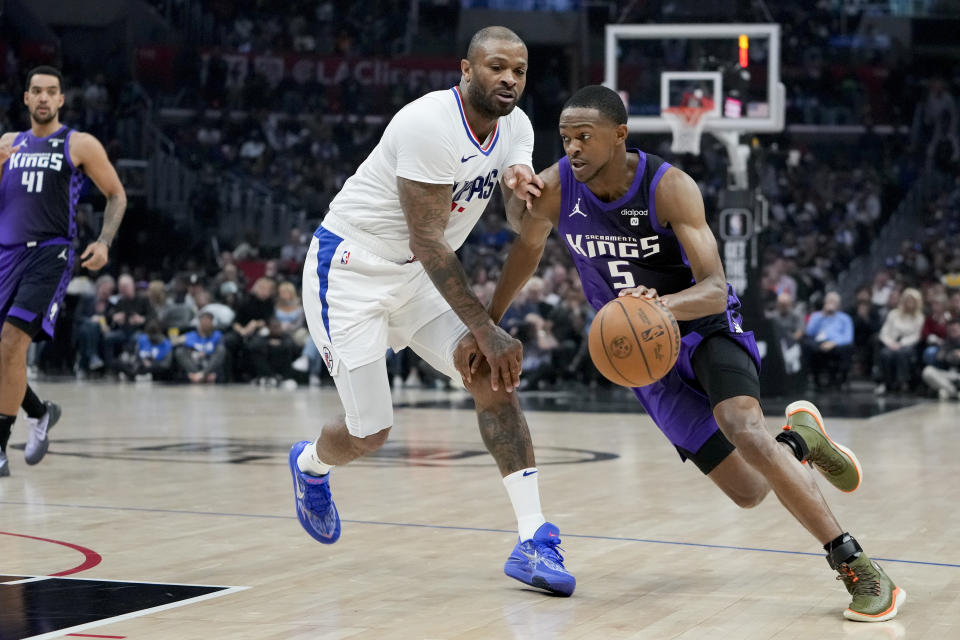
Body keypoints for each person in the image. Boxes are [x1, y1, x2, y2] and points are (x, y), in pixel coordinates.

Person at [471, 85, 903, 621]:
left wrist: (663, 307)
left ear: (619, 136)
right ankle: (798, 441)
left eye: (585, 136)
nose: (573, 147)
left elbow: (716, 286)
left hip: (704, 326)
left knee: (744, 429)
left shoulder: (670, 187)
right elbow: (527, 246)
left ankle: (856, 566)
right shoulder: (559, 188)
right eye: (566, 138)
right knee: (748, 491)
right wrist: (486, 323)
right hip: (641, 356)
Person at [290, 26, 575, 596]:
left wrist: (525, 193)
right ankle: (311, 466)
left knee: (495, 381)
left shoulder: (515, 126)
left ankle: (534, 538)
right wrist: (485, 326)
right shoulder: (427, 124)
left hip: (417, 279)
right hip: (350, 272)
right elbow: (429, 240)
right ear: (466, 71)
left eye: (518, 71)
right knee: (370, 431)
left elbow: (516, 212)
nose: (509, 80)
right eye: (497, 67)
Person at [0, 66, 126, 476]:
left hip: (50, 254)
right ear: (25, 98)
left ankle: (0, 448)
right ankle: (40, 412)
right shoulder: (7, 143)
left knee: (12, 342)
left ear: (60, 100)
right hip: (6, 254)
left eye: (51, 92)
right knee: (4, 354)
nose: (42, 98)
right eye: (35, 90)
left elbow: (116, 195)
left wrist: (104, 242)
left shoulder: (78, 144)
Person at [875, 287, 924, 395]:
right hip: (891, 343)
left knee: (902, 353)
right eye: (907, 300)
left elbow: (916, 336)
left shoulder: (919, 317)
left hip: (909, 345)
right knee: (885, 354)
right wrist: (890, 343)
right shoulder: (893, 314)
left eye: (912, 301)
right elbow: (884, 332)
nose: (909, 303)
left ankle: (902, 382)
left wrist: (901, 344)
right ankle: (886, 383)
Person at [802, 291, 855, 389]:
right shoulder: (816, 316)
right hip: (819, 345)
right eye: (829, 301)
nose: (831, 304)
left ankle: (840, 380)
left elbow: (848, 337)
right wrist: (823, 315)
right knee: (807, 344)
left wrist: (833, 343)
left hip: (837, 345)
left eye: (834, 302)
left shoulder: (845, 318)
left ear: (839, 305)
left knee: (848, 347)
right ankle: (814, 379)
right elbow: (809, 332)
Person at [921, 318, 960, 400]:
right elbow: (940, 358)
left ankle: (947, 392)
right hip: (949, 376)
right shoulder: (945, 343)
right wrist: (953, 355)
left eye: (955, 330)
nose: (952, 332)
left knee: (943, 394)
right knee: (928, 371)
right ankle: (954, 392)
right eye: (950, 330)